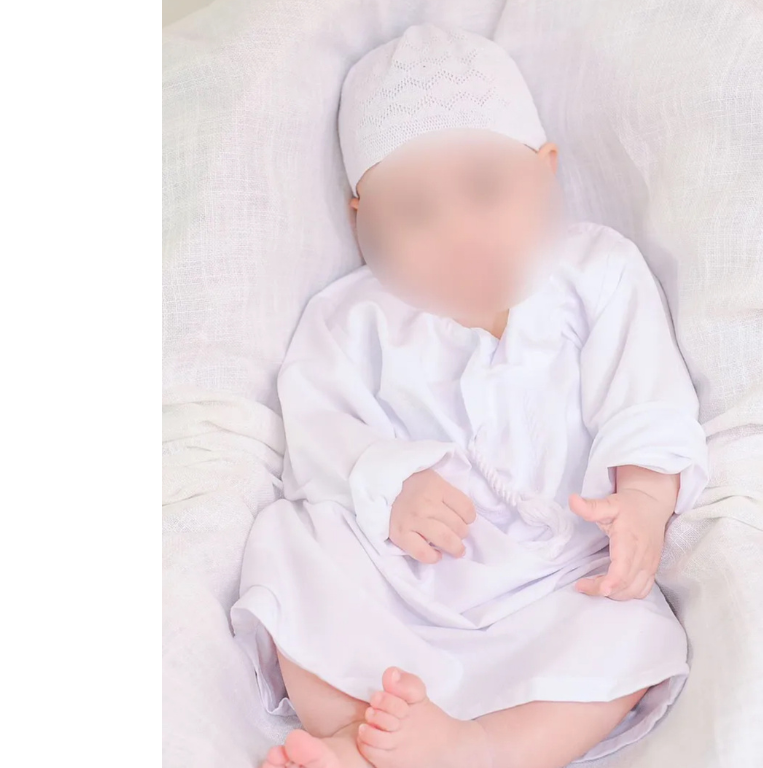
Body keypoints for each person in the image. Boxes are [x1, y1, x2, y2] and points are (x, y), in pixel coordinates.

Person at [230, 23, 710, 768]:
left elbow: (646, 396)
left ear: (544, 174)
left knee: (637, 633)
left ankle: (481, 747)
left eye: (486, 191)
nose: (458, 233)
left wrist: (644, 501)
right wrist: (390, 482)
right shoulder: (351, 318)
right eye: (414, 213)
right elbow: (317, 426)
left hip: (558, 576)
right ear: (364, 221)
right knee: (288, 545)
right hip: (404, 577)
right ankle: (358, 733)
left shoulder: (597, 272)